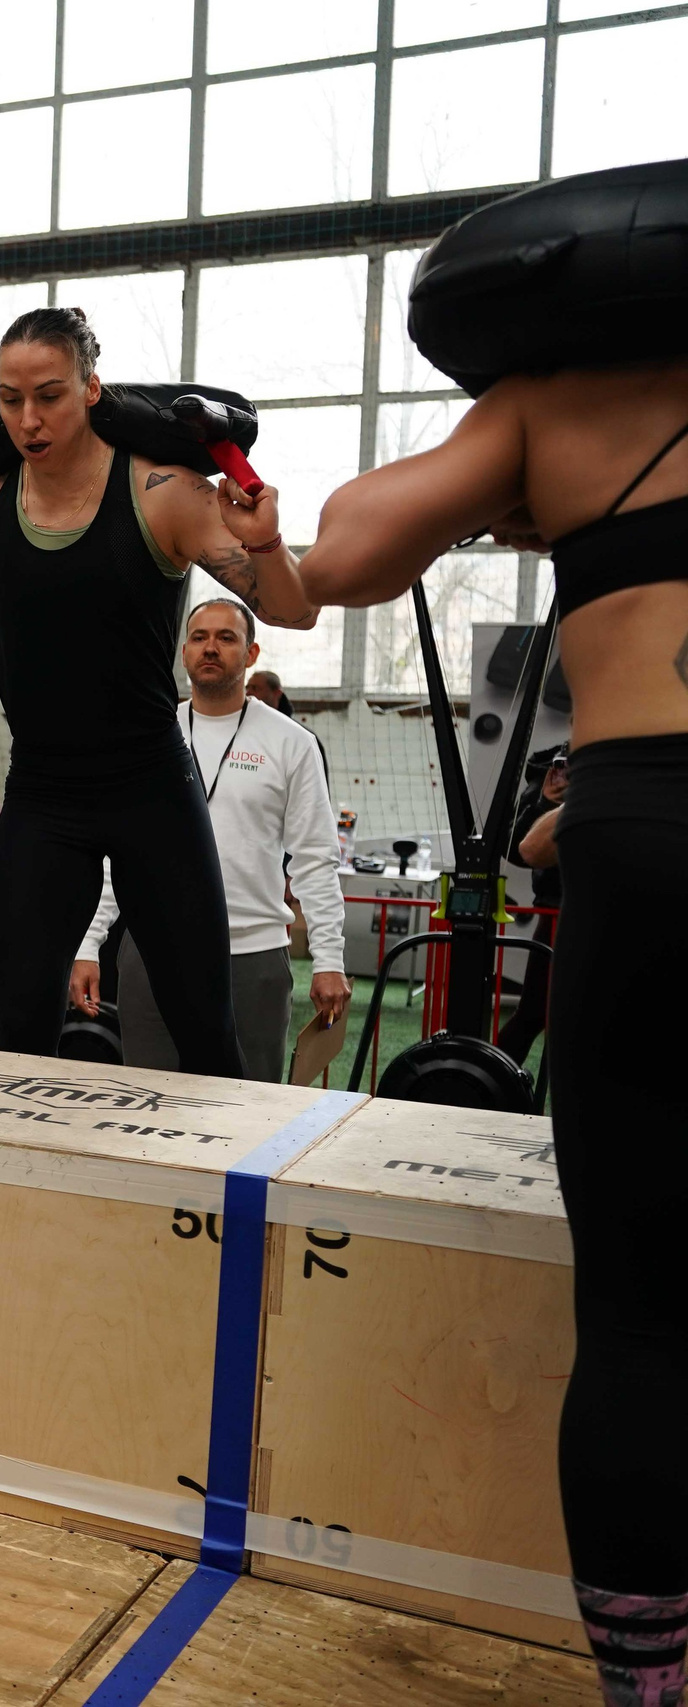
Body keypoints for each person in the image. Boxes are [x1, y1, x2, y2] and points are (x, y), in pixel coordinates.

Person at [293, 301, 687, 1707]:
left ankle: (648, 1679)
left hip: (644, 828)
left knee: (642, 1310)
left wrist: (234, 524)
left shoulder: (565, 396)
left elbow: (337, 556)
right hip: (631, 835)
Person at [0, 306, 310, 1075]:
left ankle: (225, 1197)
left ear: (91, 389)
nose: (29, 418)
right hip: (44, 796)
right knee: (20, 1029)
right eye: (10, 399)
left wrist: (266, 539)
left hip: (151, 785)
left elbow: (291, 608)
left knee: (204, 1029)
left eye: (49, 395)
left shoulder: (164, 492)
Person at [66, 597, 349, 1082]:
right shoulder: (149, 735)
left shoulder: (291, 743)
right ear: (184, 653)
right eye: (199, 638)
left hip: (252, 956)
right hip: (150, 953)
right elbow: (116, 853)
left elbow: (315, 860)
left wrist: (329, 959)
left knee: (246, 1113)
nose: (211, 648)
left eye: (226, 637)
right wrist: (88, 944)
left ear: (251, 652)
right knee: (148, 1113)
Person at [495, 744, 564, 1066]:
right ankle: (491, 1086)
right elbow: (520, 848)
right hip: (558, 912)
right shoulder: (553, 771)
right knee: (535, 1013)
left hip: (576, 909)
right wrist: (546, 802)